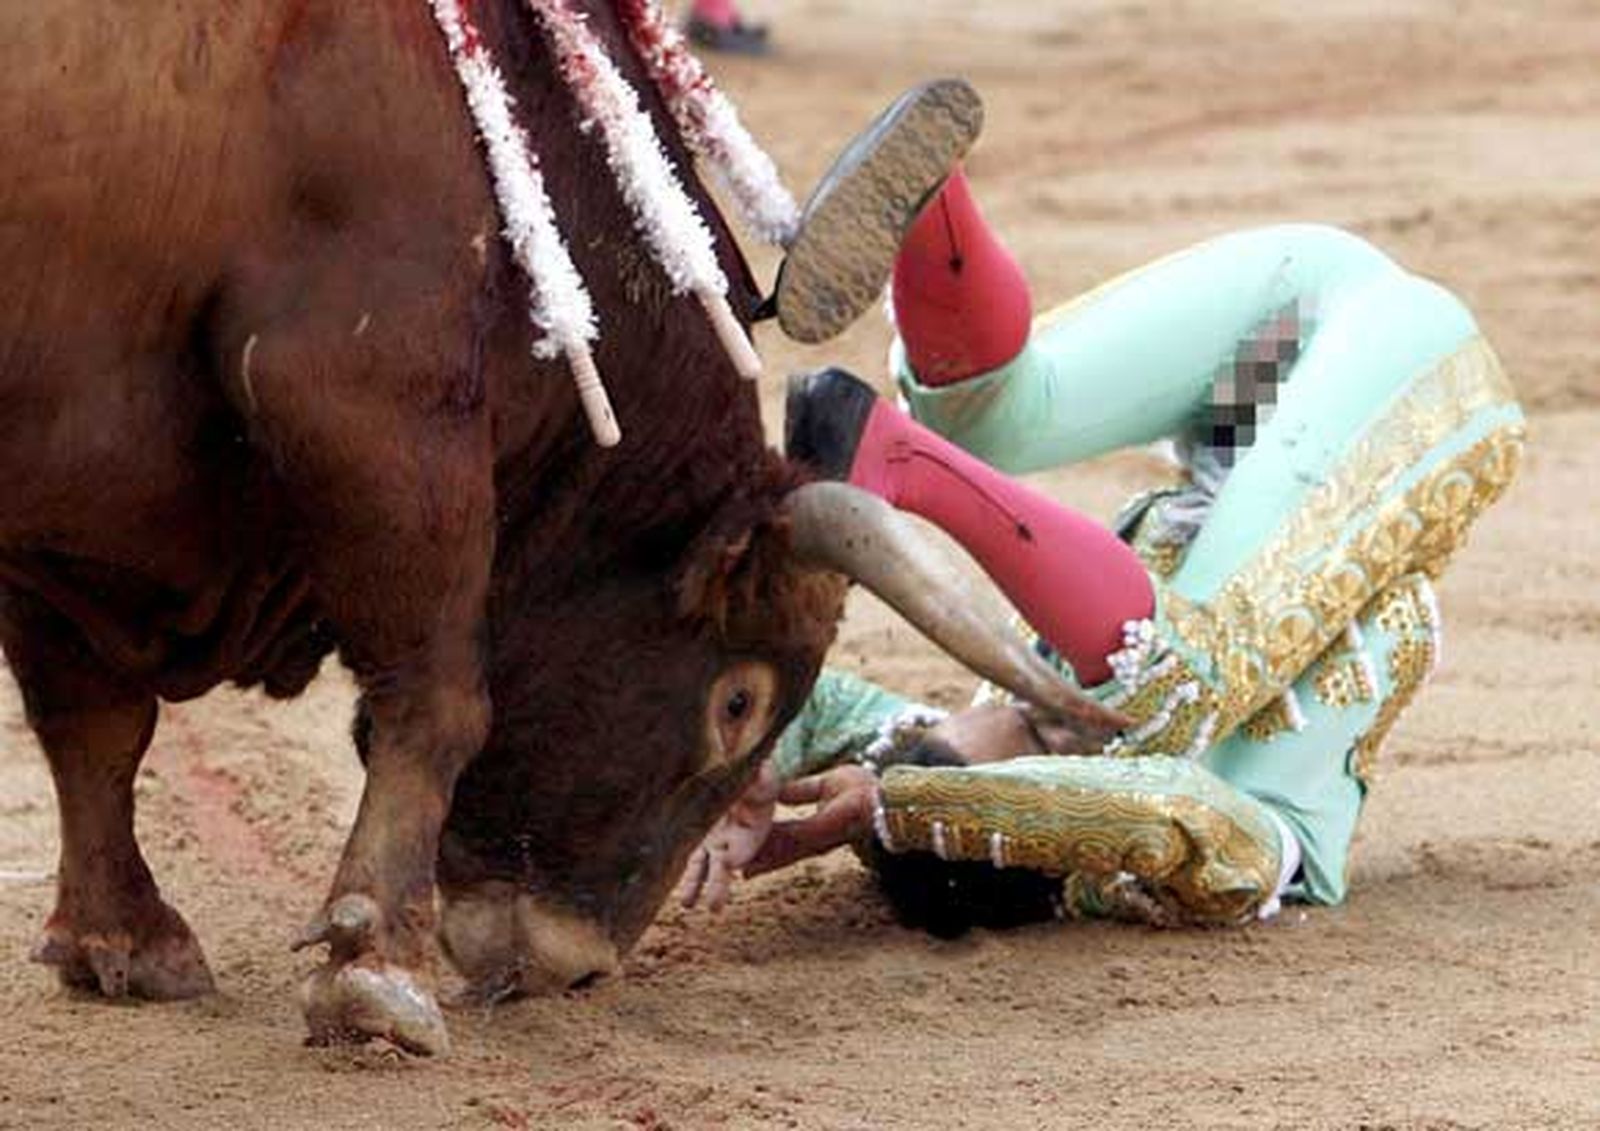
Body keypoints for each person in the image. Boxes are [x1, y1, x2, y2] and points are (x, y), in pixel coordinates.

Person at [680, 80, 1527, 934]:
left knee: (987, 413)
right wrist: (902, 807)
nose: (1003, 710)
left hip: (1283, 323)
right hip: (1417, 384)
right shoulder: (1249, 856)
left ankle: (935, 207)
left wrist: (749, 761)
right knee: (1173, 698)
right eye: (1023, 748)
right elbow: (1167, 805)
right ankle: (900, 460)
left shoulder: (991, 733)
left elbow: (827, 708)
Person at [684, 0, 770, 56]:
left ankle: (752, 37)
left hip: (725, 30)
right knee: (751, 45)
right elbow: (696, 15)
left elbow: (734, 19)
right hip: (712, 31)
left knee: (744, 37)